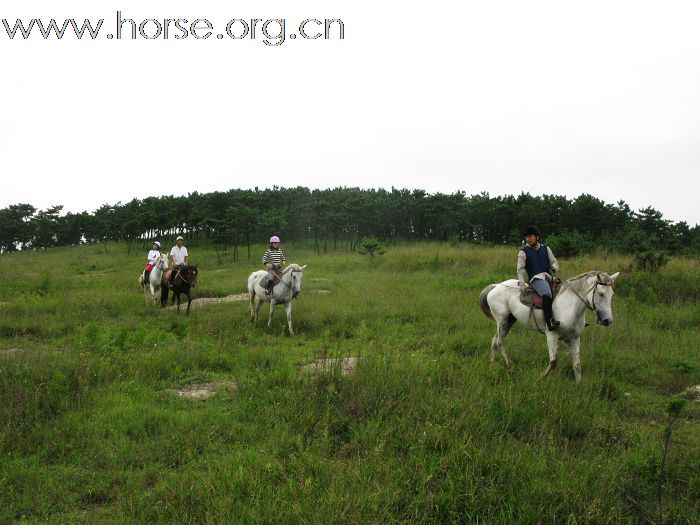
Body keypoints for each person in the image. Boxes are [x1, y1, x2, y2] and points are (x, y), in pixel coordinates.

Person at [517, 226, 561, 331]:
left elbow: (554, 262)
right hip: (536, 280)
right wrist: (522, 283)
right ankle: (549, 322)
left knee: (565, 291)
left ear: (537, 237)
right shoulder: (523, 252)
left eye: (530, 236)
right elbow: (520, 269)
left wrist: (554, 267)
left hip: (549, 278)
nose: (528, 239)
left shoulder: (546, 248)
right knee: (546, 293)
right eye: (527, 237)